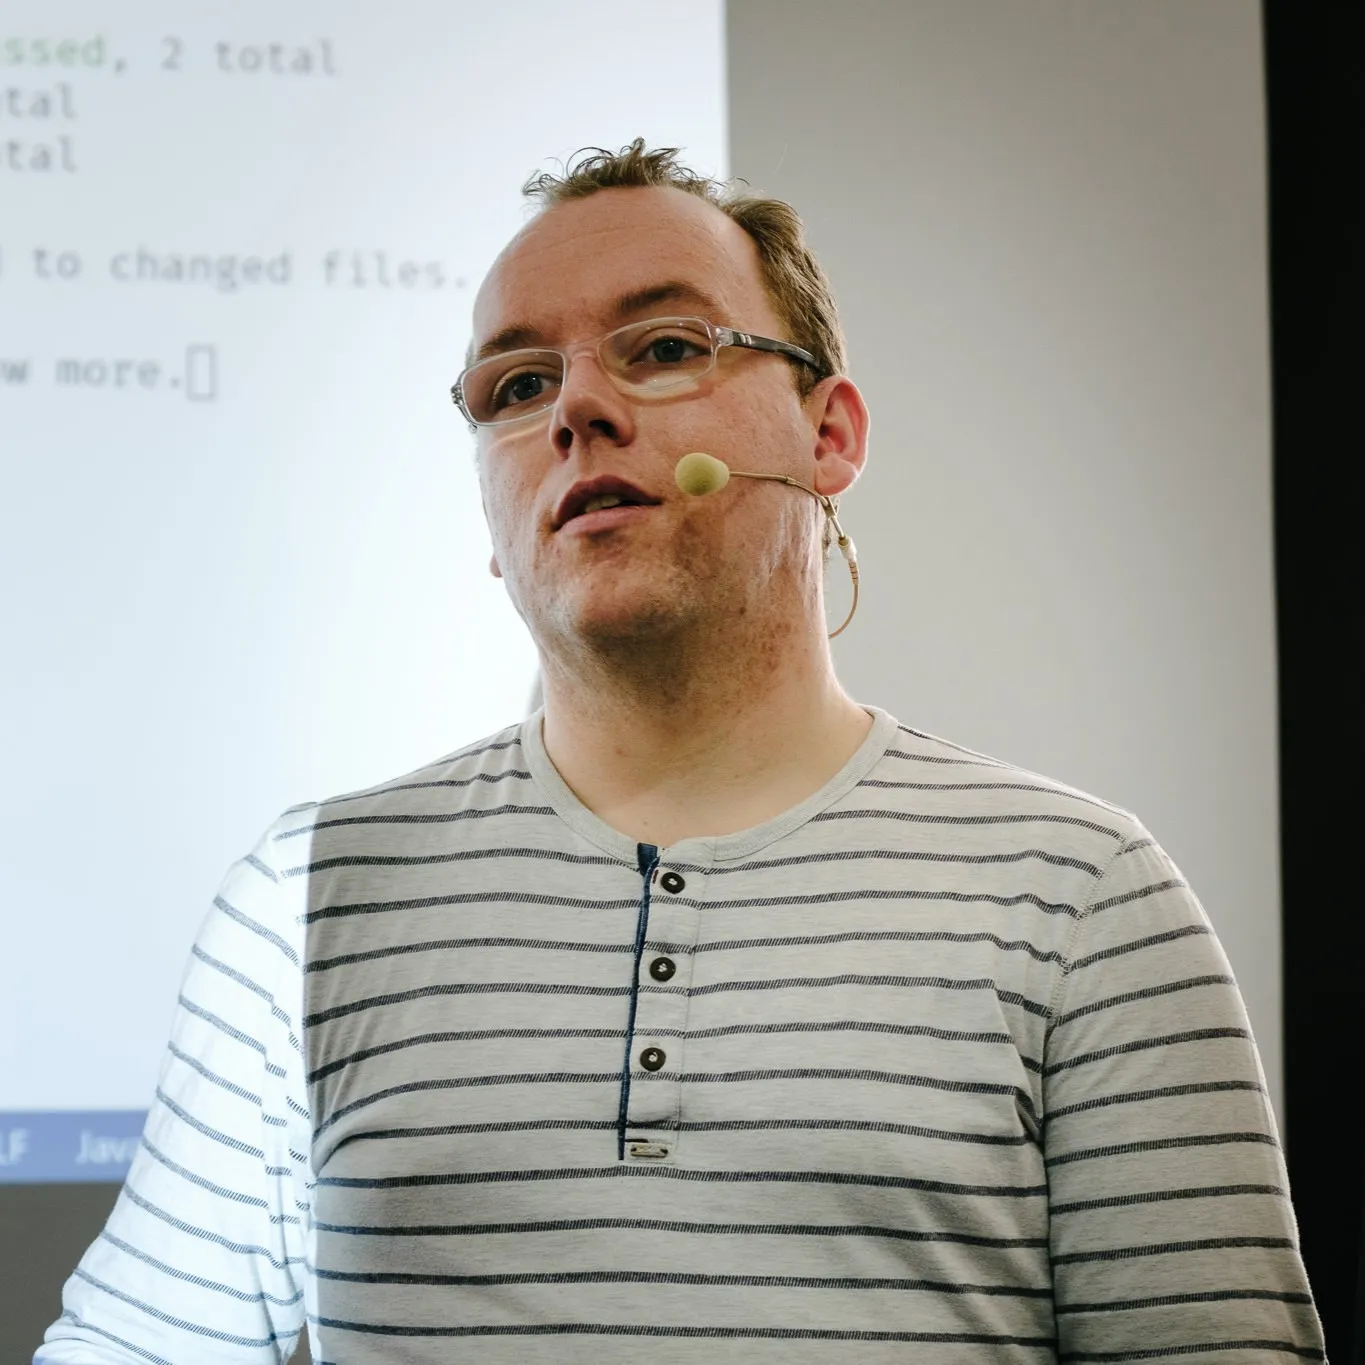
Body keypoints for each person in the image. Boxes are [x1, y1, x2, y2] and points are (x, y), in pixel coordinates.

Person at [37, 140, 1324, 1363]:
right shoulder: (308, 898)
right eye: (518, 386)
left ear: (830, 437)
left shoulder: (1083, 896)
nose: (578, 410)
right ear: (493, 508)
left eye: (663, 348)